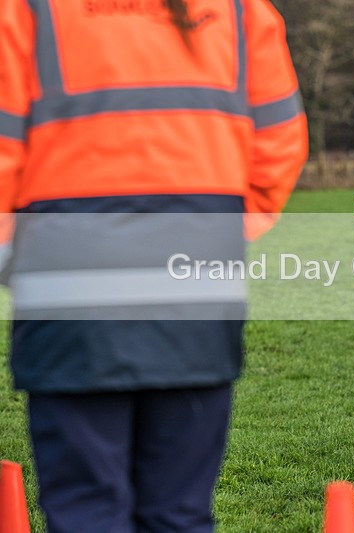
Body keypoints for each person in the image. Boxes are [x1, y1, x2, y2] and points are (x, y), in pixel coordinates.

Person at [0, 1, 307, 531]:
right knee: (179, 513)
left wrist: (15, 251)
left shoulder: (28, 11)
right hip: (196, 293)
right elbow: (280, 141)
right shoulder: (241, 10)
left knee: (85, 511)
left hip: (68, 293)